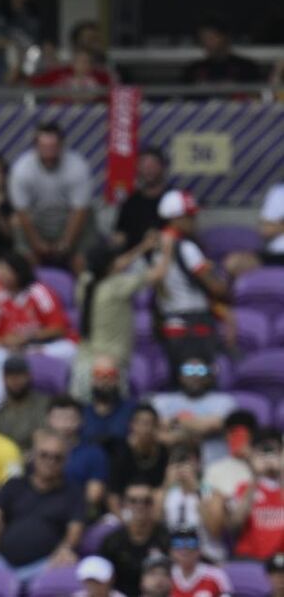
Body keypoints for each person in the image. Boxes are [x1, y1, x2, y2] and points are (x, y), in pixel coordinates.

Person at [0, 428, 84, 583]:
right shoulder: (15, 484)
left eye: (57, 458)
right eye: (44, 455)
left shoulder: (73, 493)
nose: (50, 461)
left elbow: (75, 530)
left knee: (70, 562)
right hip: (1, 563)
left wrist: (65, 550)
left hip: (43, 568)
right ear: (33, 456)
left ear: (66, 461)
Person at [70, 239, 170, 400]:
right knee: (113, 406)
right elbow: (158, 274)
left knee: (82, 407)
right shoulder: (117, 285)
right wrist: (168, 248)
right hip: (110, 363)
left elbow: (117, 264)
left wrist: (142, 246)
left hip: (84, 360)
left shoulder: (84, 281)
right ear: (110, 265)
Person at [151, 191, 229, 370]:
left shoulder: (157, 246)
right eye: (189, 216)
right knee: (200, 377)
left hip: (170, 323)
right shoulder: (187, 247)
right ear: (175, 218)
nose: (194, 221)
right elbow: (217, 288)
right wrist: (226, 276)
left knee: (179, 377)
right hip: (194, 326)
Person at [9, 122, 95, 269]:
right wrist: (37, 244)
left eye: (53, 147)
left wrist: (66, 244)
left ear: (61, 145)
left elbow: (79, 211)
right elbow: (23, 212)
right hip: (37, 223)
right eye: (44, 147)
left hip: (71, 221)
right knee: (17, 227)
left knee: (83, 259)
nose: (49, 153)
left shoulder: (78, 167)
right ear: (36, 147)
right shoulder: (21, 169)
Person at [0, 251, 78, 362]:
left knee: (68, 350)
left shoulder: (39, 292)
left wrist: (27, 337)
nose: (0, 275)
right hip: (13, 349)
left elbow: (58, 330)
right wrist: (7, 341)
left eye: (5, 271)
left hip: (46, 345)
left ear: (18, 271)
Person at [151, 357, 236, 465]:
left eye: (200, 370)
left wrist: (174, 422)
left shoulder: (224, 401)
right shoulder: (162, 401)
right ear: (180, 376)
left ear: (208, 377)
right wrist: (196, 429)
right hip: (172, 467)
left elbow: (215, 425)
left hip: (214, 467)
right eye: (189, 370)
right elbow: (152, 431)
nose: (194, 375)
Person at [100, 480, 171, 597]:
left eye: (146, 501)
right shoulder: (112, 541)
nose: (140, 506)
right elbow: (101, 577)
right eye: (133, 501)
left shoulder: (166, 538)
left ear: (153, 504)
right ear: (124, 504)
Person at [46, 396, 109, 518]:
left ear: (81, 420)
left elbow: (94, 496)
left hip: (79, 514)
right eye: (59, 418)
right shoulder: (39, 453)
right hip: (43, 512)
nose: (65, 424)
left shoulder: (94, 453)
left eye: (70, 418)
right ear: (48, 419)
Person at [162, 444, 226, 563]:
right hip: (176, 558)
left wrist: (196, 490)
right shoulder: (168, 493)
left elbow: (215, 530)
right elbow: (153, 523)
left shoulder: (212, 493)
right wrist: (167, 483)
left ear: (197, 464)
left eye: (186, 461)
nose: (181, 467)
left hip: (207, 557)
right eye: (177, 462)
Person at [227, 428, 284, 561]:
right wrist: (256, 475)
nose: (269, 457)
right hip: (250, 558)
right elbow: (235, 524)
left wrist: (281, 472)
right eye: (263, 452)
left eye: (274, 452)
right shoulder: (244, 487)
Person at [107, 405, 169, 513]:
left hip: (153, 507)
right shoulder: (121, 452)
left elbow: (164, 487)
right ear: (132, 425)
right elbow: (113, 495)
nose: (147, 429)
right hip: (126, 508)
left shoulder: (164, 452)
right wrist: (124, 520)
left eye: (151, 424)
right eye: (143, 423)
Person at [113, 148, 169, 252]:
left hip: (166, 252)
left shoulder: (174, 198)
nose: (148, 170)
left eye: (153, 165)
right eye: (144, 166)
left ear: (162, 167)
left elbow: (185, 231)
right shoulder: (131, 202)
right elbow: (120, 233)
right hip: (134, 257)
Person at [0, 355, 51, 451]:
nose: (15, 381)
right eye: (10, 376)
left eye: (19, 375)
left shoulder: (44, 404)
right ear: (4, 379)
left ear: (29, 376)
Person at [183, 16, 261, 87]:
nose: (206, 43)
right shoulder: (194, 70)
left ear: (225, 37)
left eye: (211, 37)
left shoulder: (246, 68)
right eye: (203, 38)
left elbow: (257, 93)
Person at [80, 356, 138, 451]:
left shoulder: (133, 411)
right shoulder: (81, 412)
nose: (105, 380)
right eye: (99, 374)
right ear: (92, 379)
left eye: (110, 374)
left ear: (118, 378)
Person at [168, 528, 231, 597]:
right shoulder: (167, 575)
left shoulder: (216, 575)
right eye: (178, 544)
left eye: (191, 543)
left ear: (199, 550)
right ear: (171, 551)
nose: (185, 549)